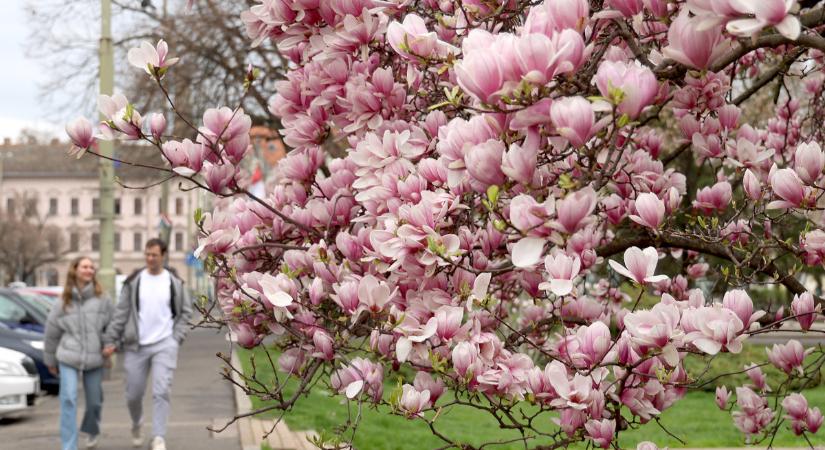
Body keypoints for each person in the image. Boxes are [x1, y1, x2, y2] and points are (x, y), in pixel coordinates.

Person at [102, 238, 192, 450]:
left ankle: (158, 436)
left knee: (162, 390)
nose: (150, 258)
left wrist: (176, 338)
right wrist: (110, 340)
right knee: (133, 394)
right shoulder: (134, 282)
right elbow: (121, 314)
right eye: (147, 254)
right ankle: (137, 423)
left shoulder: (174, 282)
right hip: (136, 346)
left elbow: (185, 313)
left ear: (163, 256)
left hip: (165, 344)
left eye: (154, 255)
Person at [44, 256, 113, 450]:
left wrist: (110, 344)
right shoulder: (62, 301)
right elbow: (51, 331)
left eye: (92, 267)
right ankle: (69, 446)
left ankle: (91, 430)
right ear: (75, 270)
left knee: (95, 403)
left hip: (94, 357)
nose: (89, 270)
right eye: (85, 266)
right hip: (68, 356)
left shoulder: (103, 299)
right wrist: (49, 360)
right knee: (68, 399)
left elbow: (112, 326)